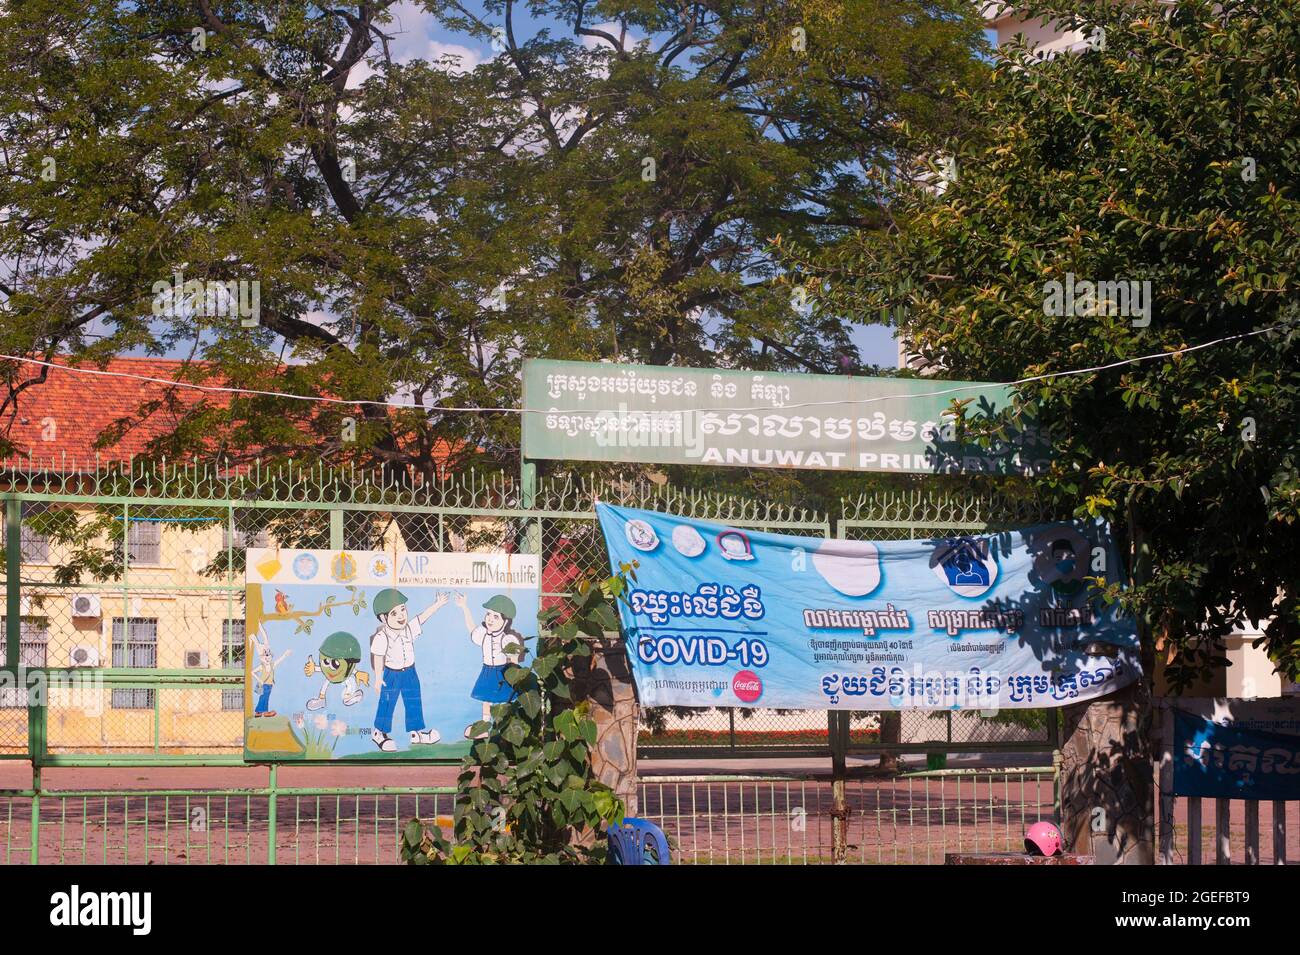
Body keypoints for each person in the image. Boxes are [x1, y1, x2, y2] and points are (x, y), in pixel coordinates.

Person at [369, 588, 447, 752]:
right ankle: (379, 733)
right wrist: (377, 677)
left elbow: (423, 617)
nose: (401, 615)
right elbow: (378, 656)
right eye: (394, 613)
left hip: (410, 672)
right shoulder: (382, 637)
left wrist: (438, 604)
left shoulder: (409, 629)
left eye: (403, 609)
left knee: (413, 701)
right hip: (392, 674)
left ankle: (416, 734)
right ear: (384, 618)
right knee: (387, 703)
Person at [453, 593, 527, 739]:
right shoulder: (484, 634)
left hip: (502, 672)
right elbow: (472, 629)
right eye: (488, 614)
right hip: (487, 671)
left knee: (503, 700)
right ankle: (484, 726)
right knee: (486, 700)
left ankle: (504, 727)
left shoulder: (507, 638)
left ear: (505, 622)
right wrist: (464, 607)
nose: (490, 619)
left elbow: (514, 659)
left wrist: (516, 678)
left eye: (496, 617)